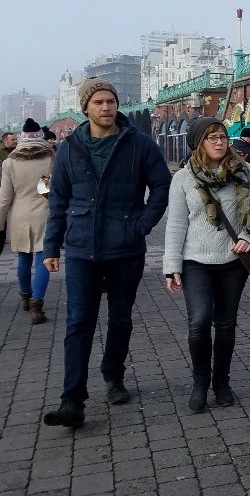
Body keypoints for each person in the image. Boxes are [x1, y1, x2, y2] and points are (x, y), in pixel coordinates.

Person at [41, 78, 172, 428]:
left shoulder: (140, 144)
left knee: (120, 318)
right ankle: (72, 400)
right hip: (82, 247)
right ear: (86, 107)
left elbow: (161, 187)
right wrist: (52, 245)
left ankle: (114, 375)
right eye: (98, 102)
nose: (106, 107)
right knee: (78, 322)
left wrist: (141, 225)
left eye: (111, 101)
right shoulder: (70, 149)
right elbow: (59, 200)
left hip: (126, 247)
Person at [163, 117, 250, 412]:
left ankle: (221, 382)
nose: (219, 142)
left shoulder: (245, 170)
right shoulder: (184, 178)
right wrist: (171, 264)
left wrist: (249, 236)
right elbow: (175, 224)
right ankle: (200, 382)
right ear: (198, 143)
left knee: (225, 324)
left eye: (222, 136)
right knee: (199, 321)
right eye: (211, 138)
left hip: (234, 261)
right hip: (195, 260)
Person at [0, 119, 55, 324]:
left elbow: (4, 198)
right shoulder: (50, 156)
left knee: (23, 258)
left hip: (19, 214)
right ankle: (36, 304)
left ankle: (25, 296)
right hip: (45, 212)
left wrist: (0, 222)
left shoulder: (10, 162)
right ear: (40, 135)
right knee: (44, 258)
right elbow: (55, 187)